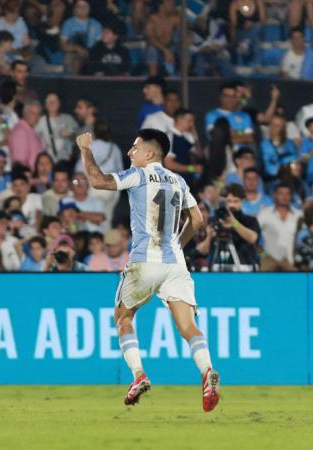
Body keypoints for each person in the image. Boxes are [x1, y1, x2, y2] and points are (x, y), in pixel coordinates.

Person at [75, 128, 220, 411]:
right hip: (175, 263)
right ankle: (207, 372)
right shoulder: (178, 180)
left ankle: (138, 376)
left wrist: (85, 149)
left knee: (123, 318)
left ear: (149, 154)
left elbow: (97, 180)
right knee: (189, 326)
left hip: (145, 261)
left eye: (134, 147)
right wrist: (178, 243)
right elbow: (198, 219)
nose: (130, 152)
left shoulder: (138, 175)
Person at [258, 184, 302, 272]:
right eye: (281, 193)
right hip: (269, 261)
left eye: (287, 194)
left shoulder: (299, 215)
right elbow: (254, 235)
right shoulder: (264, 214)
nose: (284, 197)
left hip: (292, 262)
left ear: (291, 196)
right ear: (274, 195)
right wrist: (262, 255)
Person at [205, 82, 254, 149]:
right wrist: (241, 132)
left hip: (241, 156)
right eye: (226, 96)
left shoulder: (244, 115)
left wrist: (231, 133)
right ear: (220, 97)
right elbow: (217, 136)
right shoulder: (212, 115)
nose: (230, 99)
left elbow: (249, 138)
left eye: (233, 96)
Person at [59, 0, 102, 76]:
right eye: (79, 6)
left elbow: (100, 44)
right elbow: (63, 46)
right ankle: (74, 83)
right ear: (74, 9)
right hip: (73, 53)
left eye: (85, 6)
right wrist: (77, 48)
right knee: (77, 61)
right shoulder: (68, 23)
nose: (83, 9)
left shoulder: (96, 24)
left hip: (92, 53)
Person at [188, 10, 234, 78]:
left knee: (225, 60)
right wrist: (203, 49)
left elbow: (222, 41)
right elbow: (190, 48)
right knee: (200, 62)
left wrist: (216, 47)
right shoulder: (188, 29)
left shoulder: (212, 24)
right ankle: (202, 84)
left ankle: (231, 83)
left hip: (215, 53)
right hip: (199, 55)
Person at [164, 108, 203, 188]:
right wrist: (191, 168)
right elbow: (168, 163)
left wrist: (195, 137)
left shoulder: (187, 136)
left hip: (187, 183)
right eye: (189, 121)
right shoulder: (169, 136)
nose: (192, 124)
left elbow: (199, 154)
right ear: (179, 120)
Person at [35, 93, 78, 163]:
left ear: (60, 103)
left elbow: (78, 139)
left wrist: (70, 135)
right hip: (49, 161)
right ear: (45, 104)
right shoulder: (40, 121)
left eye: (55, 100)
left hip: (66, 160)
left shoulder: (69, 119)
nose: (52, 103)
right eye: (48, 100)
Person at [9, 100, 44, 172]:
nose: (36, 117)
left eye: (38, 113)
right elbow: (20, 161)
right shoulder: (20, 132)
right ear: (24, 113)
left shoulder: (30, 130)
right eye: (33, 113)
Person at [145, 0, 179, 76]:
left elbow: (184, 32)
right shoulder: (152, 19)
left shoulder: (175, 19)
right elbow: (150, 39)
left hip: (171, 48)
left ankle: (184, 79)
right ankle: (153, 79)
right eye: (170, 3)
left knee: (184, 48)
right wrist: (165, 50)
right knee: (151, 50)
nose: (173, 5)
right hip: (157, 50)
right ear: (161, 5)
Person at [229, 0, 266, 69]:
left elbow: (263, 21)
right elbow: (233, 25)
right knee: (255, 39)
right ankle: (256, 64)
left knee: (258, 26)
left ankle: (246, 42)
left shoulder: (258, 2)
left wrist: (252, 24)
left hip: (257, 30)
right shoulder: (235, 4)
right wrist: (233, 39)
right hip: (242, 32)